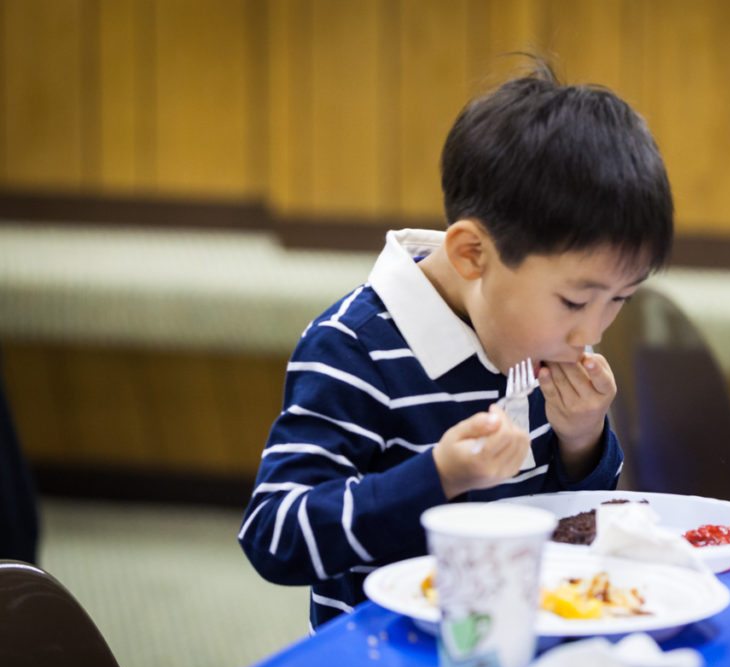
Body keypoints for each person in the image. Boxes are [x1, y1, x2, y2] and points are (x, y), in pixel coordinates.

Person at [238, 59, 674, 631]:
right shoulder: (353, 349)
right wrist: (438, 474)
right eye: (574, 302)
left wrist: (581, 439)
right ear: (472, 253)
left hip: (518, 635)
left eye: (620, 300)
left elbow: (558, 521)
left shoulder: (529, 337)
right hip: (387, 657)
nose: (590, 334)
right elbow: (274, 536)